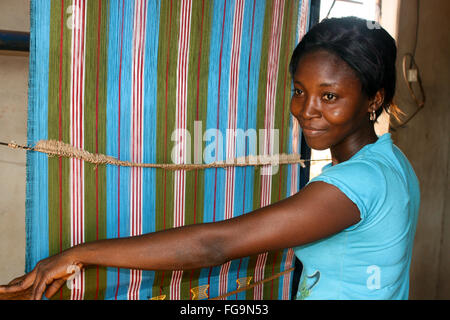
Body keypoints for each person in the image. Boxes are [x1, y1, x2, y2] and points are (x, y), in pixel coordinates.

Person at [0, 16, 420, 300]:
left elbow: (214, 245)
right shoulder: (390, 163)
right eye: (299, 90)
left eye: (330, 96)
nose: (306, 110)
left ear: (374, 98)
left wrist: (76, 254)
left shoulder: (357, 183)